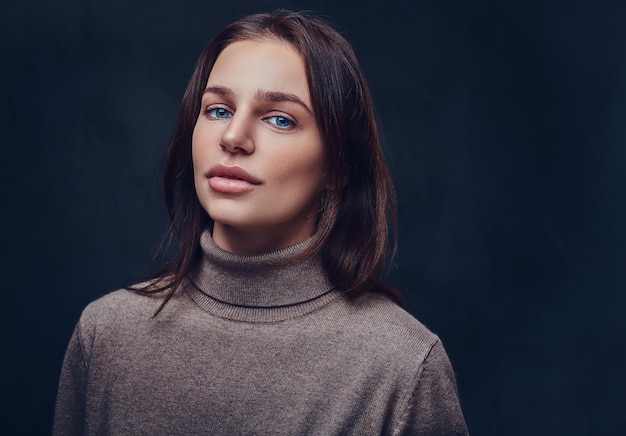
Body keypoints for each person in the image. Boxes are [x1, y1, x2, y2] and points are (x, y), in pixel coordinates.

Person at [53, 9, 468, 435]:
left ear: (338, 167)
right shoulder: (106, 336)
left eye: (280, 119)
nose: (233, 137)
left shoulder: (402, 367)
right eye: (217, 110)